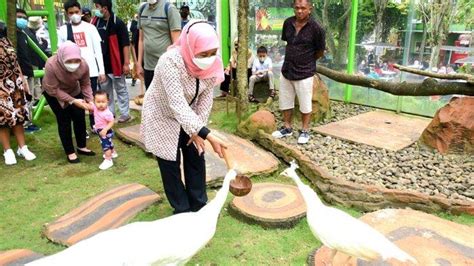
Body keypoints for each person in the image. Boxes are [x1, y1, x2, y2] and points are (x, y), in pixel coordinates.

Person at [141, 20, 227, 214]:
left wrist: (198, 130)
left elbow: (206, 100)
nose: (209, 58)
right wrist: (208, 134)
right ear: (190, 46)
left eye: (212, 52)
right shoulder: (170, 61)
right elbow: (176, 103)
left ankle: (198, 205)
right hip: (162, 115)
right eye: (203, 54)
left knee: (196, 155)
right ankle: (182, 209)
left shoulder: (214, 62)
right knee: (169, 164)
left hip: (191, 115)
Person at [272, 0, 325, 145]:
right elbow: (288, 43)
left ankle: (305, 130)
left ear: (310, 9)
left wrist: (306, 60)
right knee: (285, 100)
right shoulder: (288, 23)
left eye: (303, 8)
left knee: (305, 103)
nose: (299, 11)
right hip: (287, 69)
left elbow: (320, 51)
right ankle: (287, 127)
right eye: (297, 8)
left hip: (305, 72)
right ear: (293, 8)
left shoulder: (317, 28)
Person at [42, 41, 95, 163]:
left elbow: (85, 84)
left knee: (79, 117)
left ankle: (82, 146)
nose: (74, 64)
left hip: (73, 90)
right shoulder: (51, 64)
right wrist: (72, 101)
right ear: (61, 58)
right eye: (69, 61)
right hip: (53, 93)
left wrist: (90, 100)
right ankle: (70, 152)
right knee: (64, 119)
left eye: (76, 61)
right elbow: (53, 89)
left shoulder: (83, 65)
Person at [59, 0, 106, 131]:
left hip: (91, 71)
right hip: (72, 72)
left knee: (92, 99)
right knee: (76, 101)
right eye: (71, 13)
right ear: (66, 14)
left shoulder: (90, 28)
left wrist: (101, 70)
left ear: (81, 12)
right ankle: (81, 128)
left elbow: (98, 51)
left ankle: (95, 124)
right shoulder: (63, 30)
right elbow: (60, 52)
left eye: (76, 12)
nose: (74, 15)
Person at [0, 20, 36, 165]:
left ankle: (23, 148)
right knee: (3, 119)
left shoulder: (7, 41)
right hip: (1, 87)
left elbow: (16, 63)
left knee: (19, 116)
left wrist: (23, 80)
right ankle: (7, 150)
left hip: (16, 85)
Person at [92, 0, 131, 123]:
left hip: (116, 64)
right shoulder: (95, 22)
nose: (95, 9)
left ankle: (125, 114)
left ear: (104, 8)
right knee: (105, 91)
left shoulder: (118, 23)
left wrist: (126, 63)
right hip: (102, 66)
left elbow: (125, 44)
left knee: (121, 89)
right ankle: (110, 114)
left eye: (97, 7)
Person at [136, 0, 181, 90]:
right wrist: (139, 64)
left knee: (165, 101)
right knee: (150, 100)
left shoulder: (169, 9)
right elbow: (141, 39)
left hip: (166, 67)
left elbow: (177, 44)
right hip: (148, 67)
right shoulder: (142, 9)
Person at [89, 91, 117, 170]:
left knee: (105, 146)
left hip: (105, 131)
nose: (101, 104)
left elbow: (112, 122)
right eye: (98, 102)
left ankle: (108, 159)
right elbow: (90, 106)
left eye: (103, 102)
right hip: (100, 130)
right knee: (109, 142)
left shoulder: (107, 113)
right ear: (94, 101)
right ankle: (113, 152)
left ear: (108, 101)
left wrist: (105, 130)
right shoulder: (95, 108)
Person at [129, 13, 139, 87]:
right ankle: (134, 78)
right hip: (134, 44)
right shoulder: (135, 23)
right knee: (135, 62)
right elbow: (132, 28)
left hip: (140, 45)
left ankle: (135, 77)